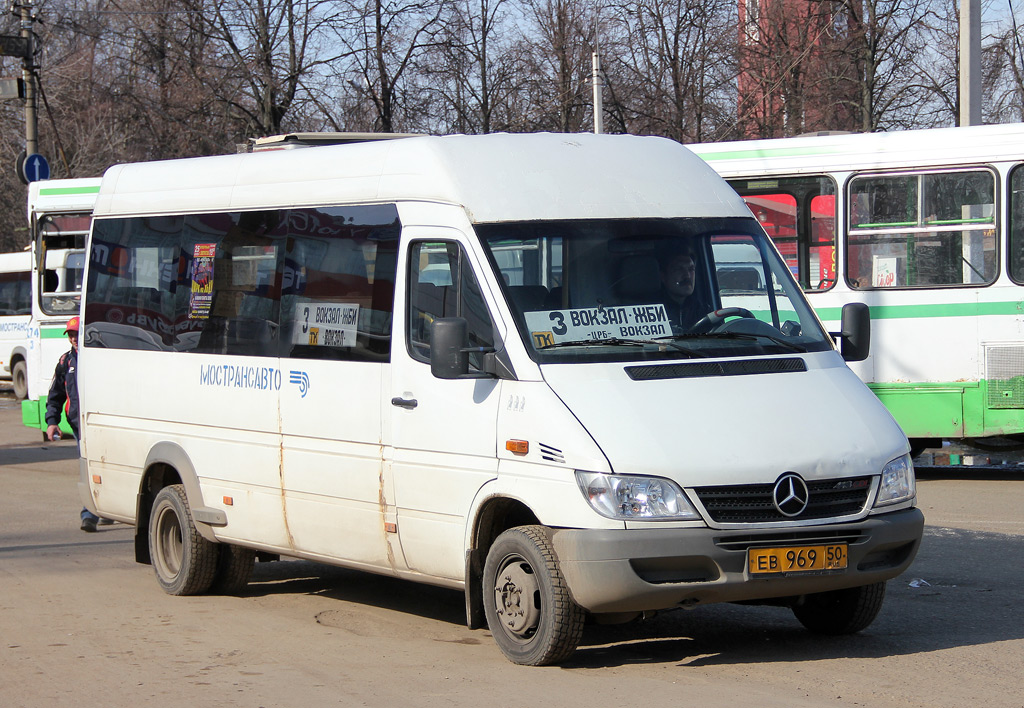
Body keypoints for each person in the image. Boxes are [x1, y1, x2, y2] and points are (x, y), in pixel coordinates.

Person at [45, 316, 109, 532]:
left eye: (76, 333)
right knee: (88, 468)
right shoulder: (65, 362)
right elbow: (55, 395)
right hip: (78, 426)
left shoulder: (101, 357)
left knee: (104, 466)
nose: (73, 338)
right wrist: (52, 422)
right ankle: (89, 514)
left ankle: (104, 508)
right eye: (70, 334)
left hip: (101, 422)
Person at [657, 243, 707, 331]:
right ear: (663, 276)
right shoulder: (651, 311)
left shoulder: (703, 310)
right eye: (679, 269)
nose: (687, 276)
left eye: (691, 269)